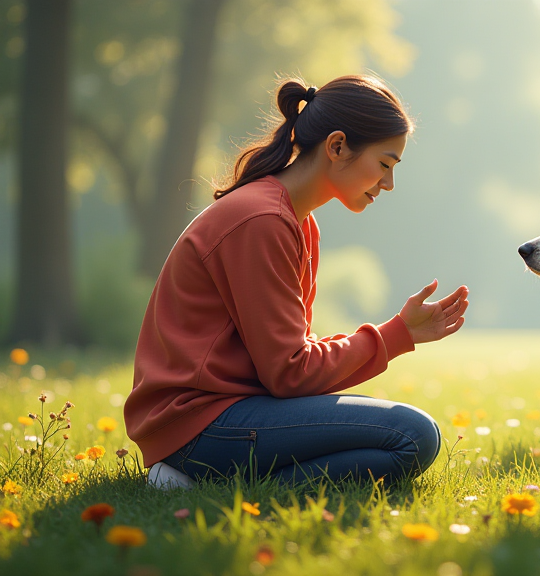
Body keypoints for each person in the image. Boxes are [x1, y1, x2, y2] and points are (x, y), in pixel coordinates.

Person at [124, 75, 468, 489]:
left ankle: (216, 484)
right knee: (412, 435)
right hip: (198, 425)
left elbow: (291, 363)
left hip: (233, 411)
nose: (389, 183)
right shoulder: (262, 220)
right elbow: (290, 374)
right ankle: (210, 484)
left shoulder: (297, 223)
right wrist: (395, 335)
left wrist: (401, 335)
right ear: (337, 146)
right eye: (384, 164)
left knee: (399, 434)